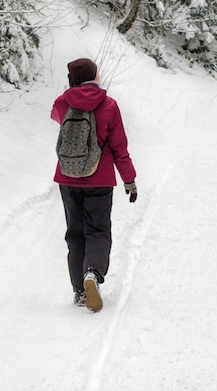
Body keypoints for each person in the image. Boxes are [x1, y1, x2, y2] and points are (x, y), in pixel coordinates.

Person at [50, 58, 137, 312]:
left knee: (75, 233)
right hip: (99, 178)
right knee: (97, 231)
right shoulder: (109, 105)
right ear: (95, 76)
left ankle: (79, 291)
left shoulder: (62, 102)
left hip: (67, 177)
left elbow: (57, 118)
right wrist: (129, 180)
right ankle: (93, 274)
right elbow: (119, 147)